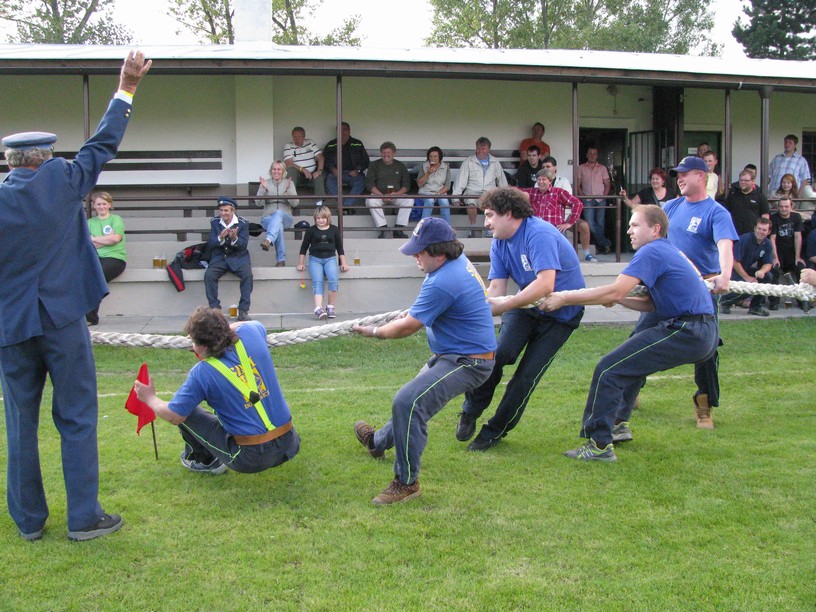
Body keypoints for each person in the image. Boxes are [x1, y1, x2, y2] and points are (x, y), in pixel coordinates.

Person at [0, 50, 151, 542]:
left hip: (11, 327)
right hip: (63, 321)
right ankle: (84, 518)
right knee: (77, 417)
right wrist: (126, 86)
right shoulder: (63, 181)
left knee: (20, 425)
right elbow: (103, 143)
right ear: (44, 158)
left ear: (9, 162)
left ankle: (27, 522)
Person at [544, 205, 719, 461]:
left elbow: (614, 290)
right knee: (627, 368)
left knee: (608, 369)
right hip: (701, 330)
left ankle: (599, 446)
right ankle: (617, 427)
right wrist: (621, 300)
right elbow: (650, 304)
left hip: (688, 330)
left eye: (635, 225)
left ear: (655, 229)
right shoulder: (667, 250)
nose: (629, 231)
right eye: (629, 225)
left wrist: (564, 298)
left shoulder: (652, 251)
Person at [352, 218, 496, 504]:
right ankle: (376, 443)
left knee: (408, 402)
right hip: (451, 354)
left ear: (440, 253)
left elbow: (408, 327)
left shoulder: (445, 279)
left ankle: (407, 483)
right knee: (410, 405)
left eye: (420, 251)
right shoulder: (452, 264)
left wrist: (374, 332)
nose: (414, 256)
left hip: (468, 362)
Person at [456, 188, 585, 452]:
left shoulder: (539, 233)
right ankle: (471, 409)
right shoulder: (499, 243)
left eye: (490, 215)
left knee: (526, 377)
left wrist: (508, 303)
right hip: (526, 306)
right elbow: (496, 292)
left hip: (561, 315)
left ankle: (494, 431)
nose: (486, 223)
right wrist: (469, 314)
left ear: (510, 213)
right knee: (497, 353)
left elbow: (546, 284)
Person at [616, 156, 737, 432]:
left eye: (685, 174)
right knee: (638, 340)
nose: (679, 178)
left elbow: (724, 245)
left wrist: (726, 274)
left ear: (702, 177)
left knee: (706, 351)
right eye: (677, 174)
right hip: (664, 290)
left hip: (700, 292)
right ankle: (627, 397)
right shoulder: (670, 206)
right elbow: (650, 230)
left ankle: (704, 403)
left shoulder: (715, 212)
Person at [134, 308, 300, 475]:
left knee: (184, 409)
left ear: (201, 346)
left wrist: (150, 398)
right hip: (290, 444)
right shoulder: (251, 333)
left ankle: (204, 460)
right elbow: (245, 325)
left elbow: (174, 416)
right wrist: (218, 332)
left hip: (252, 459)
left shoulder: (202, 373)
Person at [517, 169, 596, 263]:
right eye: (539, 179)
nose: (541, 182)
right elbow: (515, 191)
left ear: (550, 181)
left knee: (558, 260)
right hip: (537, 231)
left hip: (554, 230)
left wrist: (569, 223)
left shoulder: (559, 192)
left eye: (544, 179)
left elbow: (577, 204)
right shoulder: (533, 192)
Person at [297, 206, 350, 320]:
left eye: (323, 218)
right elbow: (304, 248)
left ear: (328, 218)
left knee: (333, 280)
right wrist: (301, 263)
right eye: (318, 218)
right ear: (315, 219)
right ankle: (318, 308)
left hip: (330, 258)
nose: (321, 220)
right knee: (318, 282)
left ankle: (330, 306)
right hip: (315, 259)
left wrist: (343, 263)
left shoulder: (334, 230)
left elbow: (340, 248)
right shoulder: (311, 230)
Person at [204, 197, 253, 321]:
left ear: (233, 211)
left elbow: (243, 245)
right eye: (221, 210)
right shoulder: (215, 222)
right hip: (220, 257)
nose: (223, 213)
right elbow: (210, 243)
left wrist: (234, 238)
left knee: (247, 275)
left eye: (226, 210)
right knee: (209, 275)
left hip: (238, 257)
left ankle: (243, 311)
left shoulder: (243, 223)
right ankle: (215, 311)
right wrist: (220, 237)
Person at [719, 218, 775, 317]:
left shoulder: (767, 244)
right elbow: (734, 261)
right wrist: (747, 278)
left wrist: (762, 271)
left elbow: (768, 263)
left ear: (769, 231)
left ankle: (755, 307)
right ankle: (725, 302)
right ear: (754, 228)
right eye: (759, 228)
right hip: (730, 269)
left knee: (768, 276)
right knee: (748, 284)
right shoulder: (745, 239)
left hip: (746, 269)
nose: (761, 232)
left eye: (764, 230)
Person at [86, 191, 127, 326]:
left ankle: (90, 318)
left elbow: (115, 239)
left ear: (109, 205)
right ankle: (86, 316)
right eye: (98, 204)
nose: (101, 206)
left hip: (115, 259)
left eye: (104, 203)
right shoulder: (90, 222)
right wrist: (104, 240)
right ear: (94, 206)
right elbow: (86, 242)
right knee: (84, 277)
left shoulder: (116, 220)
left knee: (96, 279)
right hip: (95, 258)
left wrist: (95, 239)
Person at [452, 136, 508, 234]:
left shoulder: (495, 162)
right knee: (471, 204)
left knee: (491, 205)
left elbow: (501, 180)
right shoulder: (469, 161)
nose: (480, 151)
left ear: (489, 149)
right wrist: (455, 198)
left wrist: (506, 195)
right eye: (478, 148)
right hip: (472, 192)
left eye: (483, 149)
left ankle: (490, 229)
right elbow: (461, 180)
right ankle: (473, 228)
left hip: (489, 193)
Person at [365, 141, 414, 239]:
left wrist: (396, 194)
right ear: (380, 153)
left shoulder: (400, 165)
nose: (386, 155)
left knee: (409, 200)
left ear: (394, 153)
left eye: (388, 153)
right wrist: (382, 195)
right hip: (379, 195)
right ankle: (384, 229)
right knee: (370, 201)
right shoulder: (375, 165)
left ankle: (398, 229)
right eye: (384, 152)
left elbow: (407, 185)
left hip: (396, 195)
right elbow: (369, 184)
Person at [255, 160, 299, 266]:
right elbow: (258, 203)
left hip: (286, 217)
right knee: (278, 226)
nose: (276, 171)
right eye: (274, 169)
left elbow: (295, 203)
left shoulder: (289, 183)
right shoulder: (265, 183)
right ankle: (281, 260)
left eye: (279, 169)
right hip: (268, 218)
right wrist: (264, 189)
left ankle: (269, 239)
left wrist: (288, 190)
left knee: (279, 213)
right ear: (271, 170)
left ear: (283, 171)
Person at [769, 197, 808, 311]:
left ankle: (803, 301)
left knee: (801, 270)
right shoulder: (774, 218)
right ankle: (774, 302)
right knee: (774, 272)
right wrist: (775, 258)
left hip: (792, 254)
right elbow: (772, 238)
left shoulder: (796, 217)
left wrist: (797, 256)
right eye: (781, 206)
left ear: (791, 207)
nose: (784, 209)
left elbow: (797, 236)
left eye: (786, 206)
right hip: (778, 253)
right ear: (778, 207)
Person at [323, 121, 369, 210]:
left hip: (353, 174)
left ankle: (345, 205)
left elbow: (365, 160)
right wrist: (332, 169)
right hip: (336, 173)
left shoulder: (357, 143)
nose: (342, 132)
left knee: (361, 181)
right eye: (340, 130)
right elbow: (325, 160)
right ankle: (343, 205)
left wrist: (357, 170)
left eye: (345, 129)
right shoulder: (331, 144)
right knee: (329, 180)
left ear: (349, 131)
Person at [575, 146, 612, 255]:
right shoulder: (581, 168)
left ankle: (600, 246)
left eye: (594, 153)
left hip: (601, 199)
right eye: (590, 153)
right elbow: (578, 184)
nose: (592, 155)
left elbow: (607, 184)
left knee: (600, 224)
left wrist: (604, 196)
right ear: (586, 155)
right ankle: (605, 243)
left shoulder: (602, 168)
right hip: (587, 199)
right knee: (589, 224)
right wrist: (582, 196)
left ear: (597, 155)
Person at [723, 170, 771, 235]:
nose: (743, 182)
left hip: (753, 235)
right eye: (741, 180)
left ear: (753, 181)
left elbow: (765, 217)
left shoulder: (760, 197)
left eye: (746, 180)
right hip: (735, 234)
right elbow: (725, 213)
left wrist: (761, 233)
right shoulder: (733, 196)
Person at [283, 126, 325, 196]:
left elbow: (321, 157)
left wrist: (319, 171)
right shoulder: (288, 146)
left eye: (299, 137)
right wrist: (303, 170)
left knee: (319, 177)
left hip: (312, 174)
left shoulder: (310, 143)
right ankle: (291, 200)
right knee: (290, 170)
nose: (296, 139)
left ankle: (320, 204)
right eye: (294, 137)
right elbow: (288, 163)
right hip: (298, 175)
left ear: (304, 137)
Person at [416, 146, 451, 223]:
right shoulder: (424, 166)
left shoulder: (445, 167)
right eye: (431, 156)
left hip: (440, 192)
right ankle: (423, 226)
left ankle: (447, 228)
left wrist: (438, 194)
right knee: (429, 200)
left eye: (435, 156)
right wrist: (428, 173)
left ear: (440, 157)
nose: (433, 158)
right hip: (426, 192)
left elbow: (447, 186)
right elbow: (419, 184)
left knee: (445, 202)